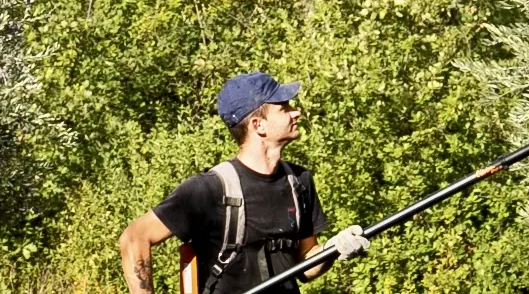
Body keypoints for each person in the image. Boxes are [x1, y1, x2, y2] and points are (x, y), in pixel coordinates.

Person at [119, 72, 372, 294]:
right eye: (283, 107)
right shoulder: (208, 189)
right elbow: (134, 238)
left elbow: (306, 266)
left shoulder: (299, 182)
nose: (296, 112)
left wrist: (333, 249)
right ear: (257, 125)